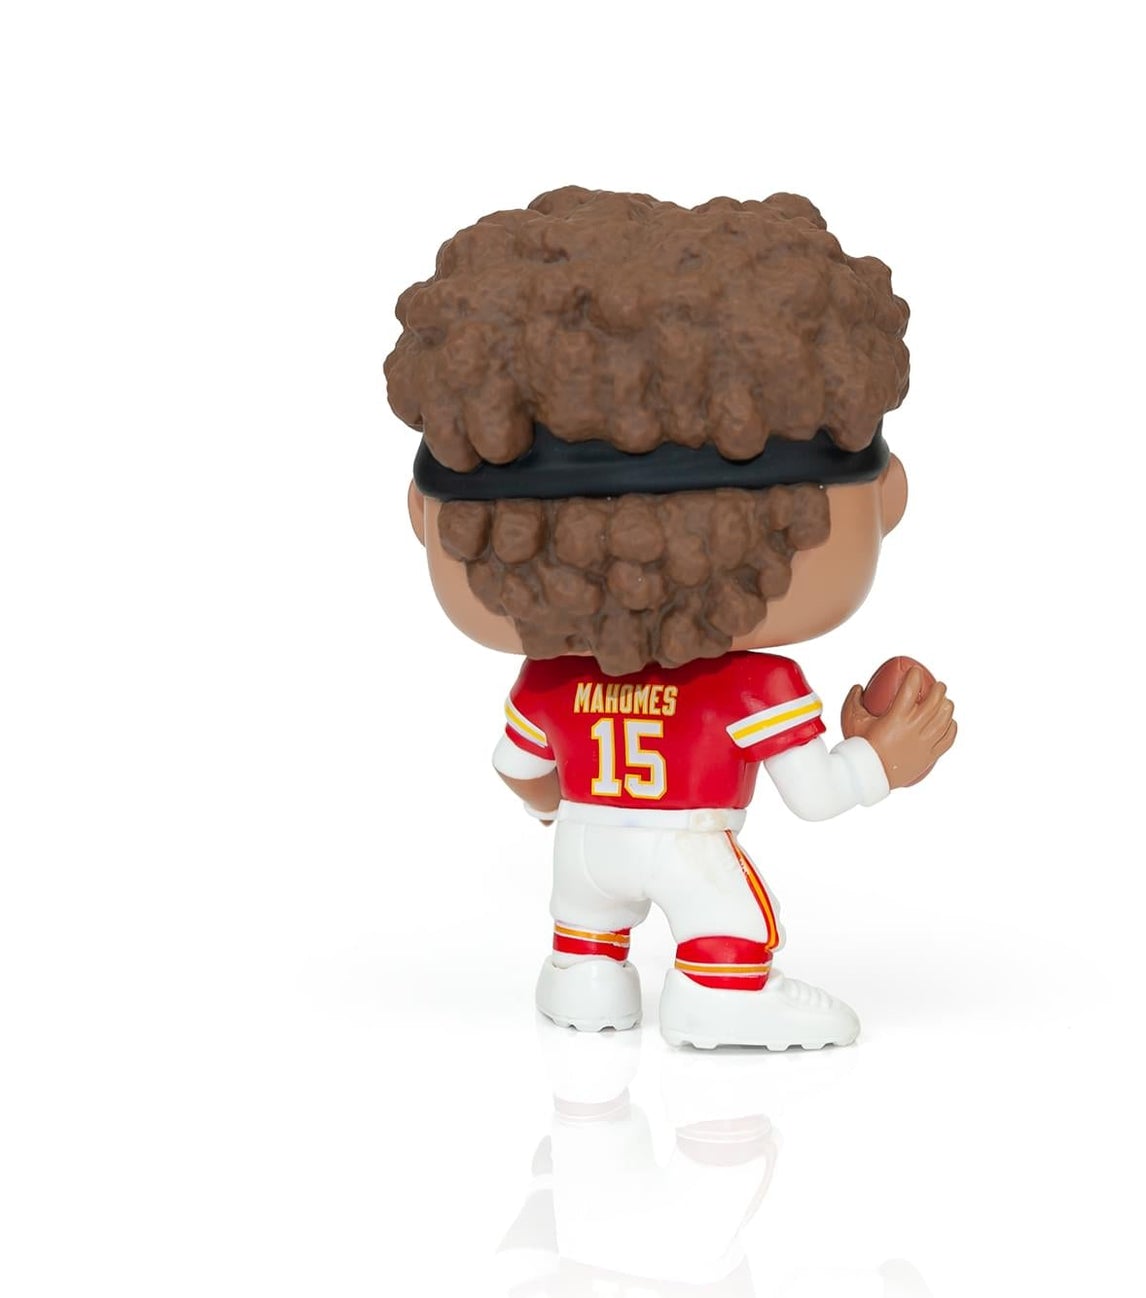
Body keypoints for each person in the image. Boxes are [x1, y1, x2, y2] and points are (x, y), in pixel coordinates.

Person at [388, 187, 957, 1049]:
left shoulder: (550, 680)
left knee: (583, 932)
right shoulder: (755, 684)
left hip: (583, 850)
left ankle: (583, 976)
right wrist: (885, 757)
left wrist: (567, 807)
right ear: (887, 495)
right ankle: (720, 994)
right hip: (687, 846)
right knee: (734, 927)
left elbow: (519, 771)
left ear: (421, 514)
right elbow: (815, 795)